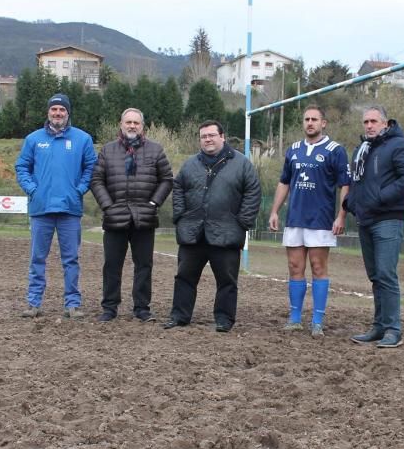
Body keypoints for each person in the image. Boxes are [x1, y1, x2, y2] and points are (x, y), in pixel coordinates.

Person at [163, 120, 261, 333]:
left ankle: (224, 319)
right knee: (184, 277)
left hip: (226, 233)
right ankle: (179, 316)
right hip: (193, 232)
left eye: (211, 135)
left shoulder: (242, 163)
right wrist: (180, 215)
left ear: (222, 137)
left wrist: (241, 222)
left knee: (227, 280)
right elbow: (177, 187)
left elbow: (253, 192)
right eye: (203, 136)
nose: (207, 139)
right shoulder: (190, 164)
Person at [268, 104, 351, 338]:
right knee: (295, 268)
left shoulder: (335, 150)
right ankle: (295, 318)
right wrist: (275, 211)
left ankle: (317, 321)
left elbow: (345, 184)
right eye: (307, 119)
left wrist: (341, 215)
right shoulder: (293, 150)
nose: (310, 123)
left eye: (315, 119)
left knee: (318, 268)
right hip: (295, 219)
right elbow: (284, 182)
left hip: (321, 220)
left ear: (323, 123)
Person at [343, 104, 404, 348]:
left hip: (388, 219)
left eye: (374, 121)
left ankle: (392, 329)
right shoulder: (361, 150)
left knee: (386, 274)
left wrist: (381, 197)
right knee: (375, 276)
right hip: (365, 220)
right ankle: (378, 326)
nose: (369, 126)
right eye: (365, 122)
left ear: (385, 124)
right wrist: (351, 203)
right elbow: (356, 181)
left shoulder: (399, 146)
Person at [15, 93, 97, 319]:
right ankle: (34, 303)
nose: (58, 113)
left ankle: (72, 304)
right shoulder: (33, 139)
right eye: (54, 110)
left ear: (68, 113)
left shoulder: (83, 139)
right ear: (48, 113)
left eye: (62, 110)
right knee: (37, 258)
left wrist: (79, 189)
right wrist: (33, 189)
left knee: (70, 259)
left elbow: (91, 168)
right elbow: (22, 167)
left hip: (70, 210)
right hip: (41, 210)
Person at [89, 108, 173, 323]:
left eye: (136, 122)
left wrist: (154, 203)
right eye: (128, 122)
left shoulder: (156, 150)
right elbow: (96, 180)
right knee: (111, 265)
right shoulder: (107, 151)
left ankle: (142, 308)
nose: (132, 126)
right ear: (121, 124)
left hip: (144, 218)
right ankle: (109, 307)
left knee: (144, 265)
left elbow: (166, 179)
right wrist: (108, 206)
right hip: (115, 217)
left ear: (142, 126)